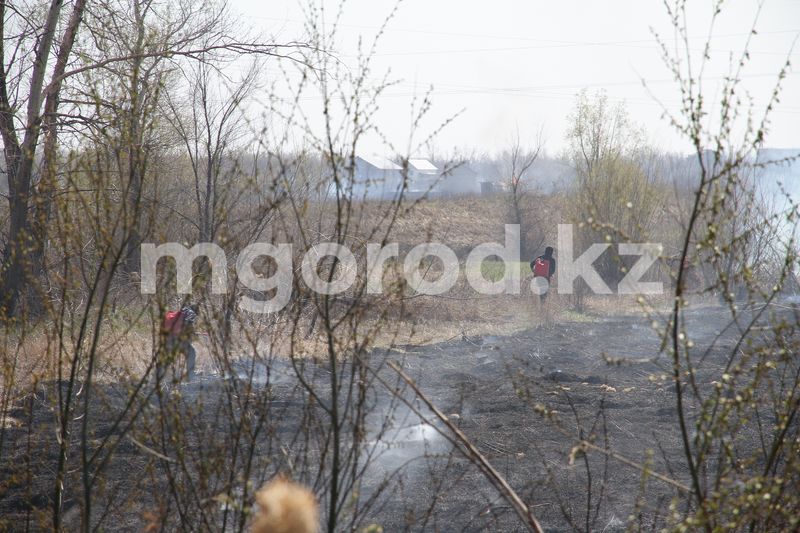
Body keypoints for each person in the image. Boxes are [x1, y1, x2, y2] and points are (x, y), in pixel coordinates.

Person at [161, 303, 199, 382]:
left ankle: (162, 375)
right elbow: (189, 332)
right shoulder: (190, 314)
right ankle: (190, 375)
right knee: (191, 352)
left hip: (167, 340)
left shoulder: (177, 315)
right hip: (178, 341)